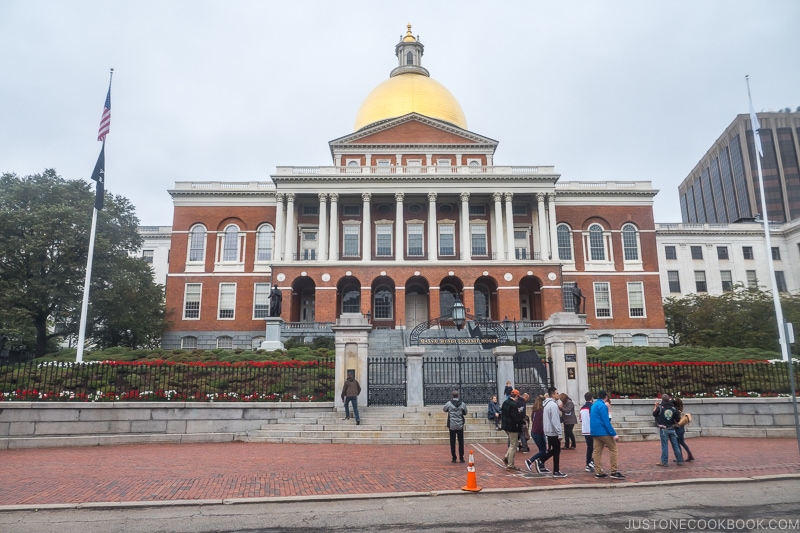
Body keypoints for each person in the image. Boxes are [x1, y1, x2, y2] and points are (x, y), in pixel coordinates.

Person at [590, 390, 624, 479]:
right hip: (603, 431)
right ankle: (614, 471)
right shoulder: (602, 406)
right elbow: (606, 422)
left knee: (597, 451)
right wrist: (613, 434)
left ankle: (598, 471)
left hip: (594, 431)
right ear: (606, 397)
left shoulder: (594, 405)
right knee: (613, 448)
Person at [538, 387, 567, 478]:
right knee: (557, 450)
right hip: (553, 431)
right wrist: (559, 433)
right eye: (557, 393)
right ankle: (556, 470)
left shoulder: (546, 404)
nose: (558, 395)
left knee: (555, 450)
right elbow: (555, 421)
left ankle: (542, 460)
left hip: (548, 430)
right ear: (553, 394)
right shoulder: (553, 405)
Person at [653, 393, 684, 466]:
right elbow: (678, 419)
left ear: (662, 400)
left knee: (664, 446)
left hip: (663, 429)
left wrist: (656, 406)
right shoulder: (673, 408)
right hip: (672, 428)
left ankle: (664, 462)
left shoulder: (660, 407)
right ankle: (679, 460)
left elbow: (654, 414)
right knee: (675, 445)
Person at [524, 394, 550, 474]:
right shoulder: (541, 411)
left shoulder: (535, 410)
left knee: (543, 450)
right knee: (543, 451)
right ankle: (530, 460)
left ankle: (541, 466)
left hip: (535, 431)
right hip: (539, 432)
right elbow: (542, 423)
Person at [500, 389, 524, 470]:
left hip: (505, 426)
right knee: (513, 445)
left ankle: (506, 457)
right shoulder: (513, 405)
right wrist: (522, 422)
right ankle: (510, 464)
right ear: (516, 396)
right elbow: (516, 417)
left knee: (512, 444)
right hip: (512, 427)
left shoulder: (505, 402)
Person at [443, 390, 468, 463]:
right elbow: (465, 412)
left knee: (452, 442)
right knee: (461, 442)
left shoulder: (449, 403)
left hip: (452, 425)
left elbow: (444, 409)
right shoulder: (462, 404)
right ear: (458, 396)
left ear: (452, 396)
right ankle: (461, 457)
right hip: (460, 425)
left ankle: (454, 458)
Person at [673, 397, 695, 461]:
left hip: (678, 428)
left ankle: (680, 457)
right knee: (682, 442)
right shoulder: (680, 409)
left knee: (677, 443)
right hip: (682, 428)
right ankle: (689, 454)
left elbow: (676, 420)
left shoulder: (675, 410)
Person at [579, 391, 595, 472]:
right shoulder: (592, 407)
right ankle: (591, 462)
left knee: (590, 447)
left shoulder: (582, 408)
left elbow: (581, 419)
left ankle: (589, 462)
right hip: (592, 430)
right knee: (596, 447)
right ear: (592, 398)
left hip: (585, 430)